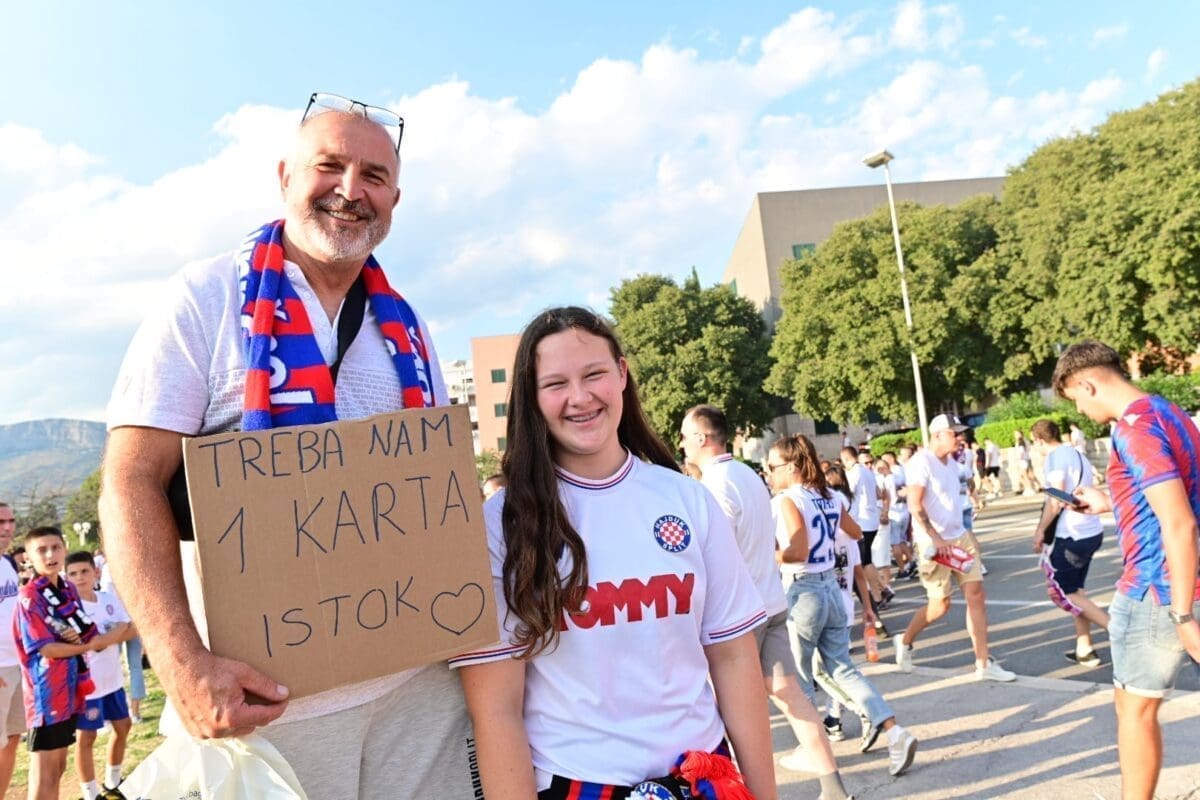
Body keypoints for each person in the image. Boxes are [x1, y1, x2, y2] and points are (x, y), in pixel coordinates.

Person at [98, 93, 477, 797]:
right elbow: (128, 481)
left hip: (419, 694)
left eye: (373, 176)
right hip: (270, 707)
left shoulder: (409, 326)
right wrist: (179, 665)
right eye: (329, 166)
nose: (349, 191)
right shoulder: (205, 299)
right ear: (284, 176)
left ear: (395, 196)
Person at [450, 307, 776, 799]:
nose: (579, 398)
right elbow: (496, 710)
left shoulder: (687, 500)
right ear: (531, 398)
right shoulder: (502, 525)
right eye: (555, 383)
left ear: (622, 374)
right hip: (578, 784)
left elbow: (733, 660)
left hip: (705, 779)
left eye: (595, 374)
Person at [1053, 341, 1200, 800]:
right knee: (1132, 705)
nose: (1078, 408)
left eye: (1075, 398)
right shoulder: (1168, 412)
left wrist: (1182, 615)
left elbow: (1180, 522)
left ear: (1087, 383)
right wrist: (1110, 502)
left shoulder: (1134, 430)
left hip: (1155, 591)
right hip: (1168, 580)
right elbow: (1168, 503)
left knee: (1134, 713)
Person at [680, 405, 851, 798]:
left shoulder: (715, 484)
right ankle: (833, 786)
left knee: (726, 712)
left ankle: (733, 789)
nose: (683, 443)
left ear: (704, 438)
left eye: (687, 436)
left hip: (737, 616)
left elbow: (716, 552)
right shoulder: (748, 474)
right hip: (770, 602)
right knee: (792, 696)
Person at [769, 436, 917, 778]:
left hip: (803, 588)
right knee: (843, 668)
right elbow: (854, 532)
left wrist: (768, 554)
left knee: (801, 678)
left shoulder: (787, 499)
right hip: (831, 589)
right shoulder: (828, 497)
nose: (770, 473)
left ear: (791, 467)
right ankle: (894, 731)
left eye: (774, 467)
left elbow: (797, 551)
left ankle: (812, 749)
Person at [894, 414, 1016, 682]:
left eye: (960, 433)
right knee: (940, 605)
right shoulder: (920, 463)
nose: (960, 438)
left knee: (976, 594)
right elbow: (915, 505)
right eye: (954, 433)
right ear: (937, 435)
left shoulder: (951, 462)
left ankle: (983, 662)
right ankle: (904, 640)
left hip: (959, 536)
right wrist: (935, 538)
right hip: (932, 541)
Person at [15, 527, 114, 800]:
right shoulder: (29, 596)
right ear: (28, 558)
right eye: (42, 550)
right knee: (44, 773)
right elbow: (45, 647)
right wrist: (83, 645)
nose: (50, 554)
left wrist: (86, 640)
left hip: (70, 688)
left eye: (56, 547)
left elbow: (84, 631)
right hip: (45, 694)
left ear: (65, 548)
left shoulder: (68, 588)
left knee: (58, 767)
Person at [1028, 419, 1108, 667]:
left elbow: (1056, 498)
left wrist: (1040, 530)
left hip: (1072, 533)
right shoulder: (1076, 454)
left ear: (1039, 440)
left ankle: (1118, 632)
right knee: (1076, 591)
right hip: (1090, 531)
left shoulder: (1055, 458)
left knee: (1063, 592)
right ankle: (1084, 647)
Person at [65, 552, 136, 799]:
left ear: (95, 572)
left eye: (84, 571)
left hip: (113, 680)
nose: (79, 578)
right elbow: (86, 643)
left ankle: (112, 782)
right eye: (73, 574)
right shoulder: (71, 610)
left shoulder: (107, 599)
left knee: (123, 726)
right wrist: (112, 634)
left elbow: (129, 628)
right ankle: (90, 793)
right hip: (88, 686)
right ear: (67, 578)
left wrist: (105, 639)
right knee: (87, 737)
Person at [0, 503, 23, 798]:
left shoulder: (9, 564)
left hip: (18, 664)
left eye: (10, 520)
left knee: (13, 738)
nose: (6, 527)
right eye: (0, 521)